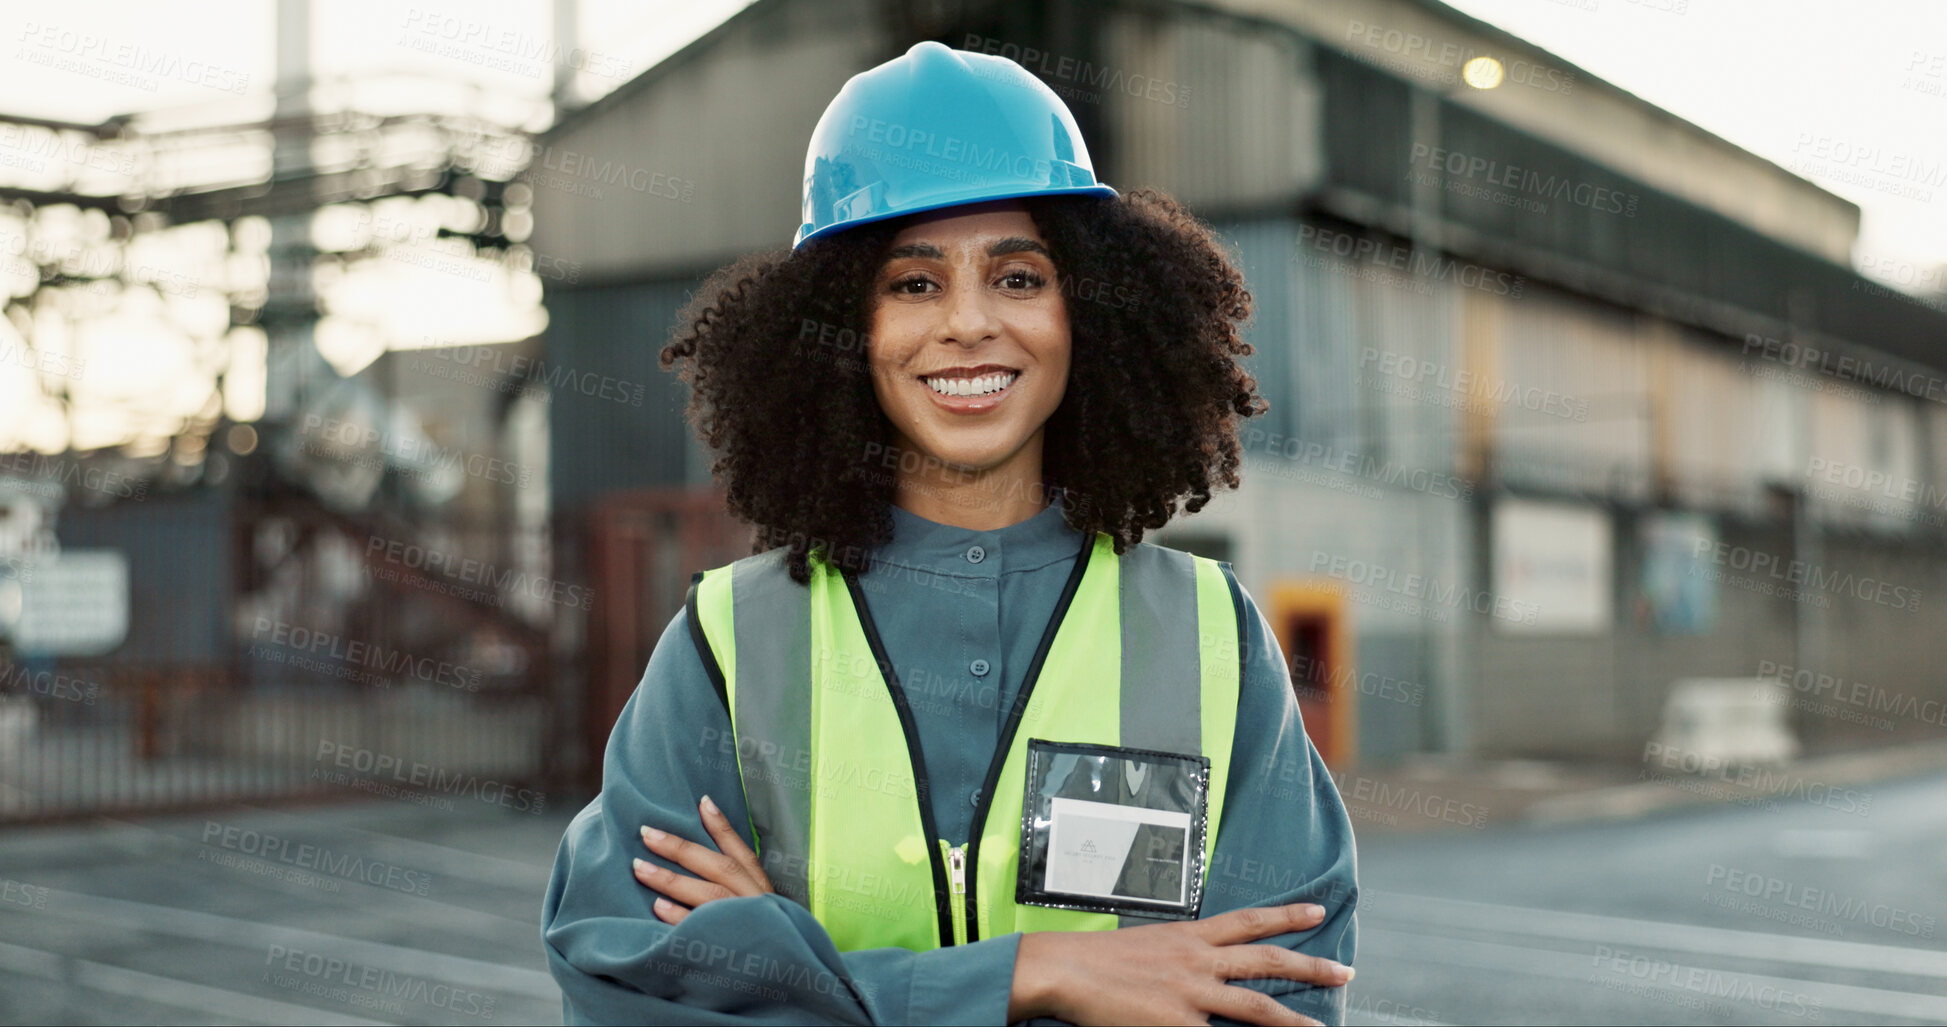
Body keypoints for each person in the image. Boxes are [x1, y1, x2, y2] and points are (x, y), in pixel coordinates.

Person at [542, 40, 1359, 1026]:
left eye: (1018, 277)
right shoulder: (727, 644)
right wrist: (1034, 975)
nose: (969, 323)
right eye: (913, 283)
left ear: (1090, 310)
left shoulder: (1209, 639)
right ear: (841, 326)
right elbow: (635, 987)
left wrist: (806, 974)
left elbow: (1271, 997)